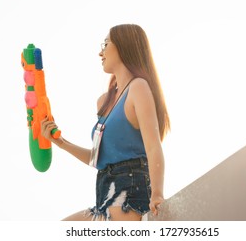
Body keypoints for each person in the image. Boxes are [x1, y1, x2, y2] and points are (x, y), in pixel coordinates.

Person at [41, 24, 170, 221]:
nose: (100, 52)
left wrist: (157, 194)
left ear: (124, 45)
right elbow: (97, 158)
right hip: (104, 199)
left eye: (106, 43)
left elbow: (153, 146)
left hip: (129, 198)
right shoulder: (104, 102)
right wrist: (61, 142)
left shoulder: (138, 88)